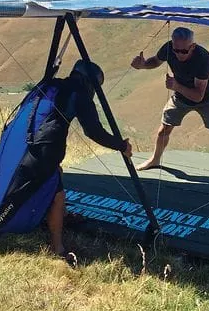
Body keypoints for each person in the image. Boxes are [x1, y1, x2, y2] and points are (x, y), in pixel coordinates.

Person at [18, 59, 131, 260]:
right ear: (90, 83)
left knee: (56, 173)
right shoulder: (80, 96)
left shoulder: (53, 84)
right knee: (57, 194)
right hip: (44, 147)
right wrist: (121, 145)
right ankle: (57, 247)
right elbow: (94, 131)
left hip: (26, 140)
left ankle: (61, 216)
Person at [130, 26, 209, 193]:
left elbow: (198, 96)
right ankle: (155, 159)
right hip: (180, 98)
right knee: (163, 131)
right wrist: (144, 65)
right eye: (176, 50)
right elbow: (156, 60)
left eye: (184, 51)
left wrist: (175, 85)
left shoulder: (203, 57)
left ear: (193, 46)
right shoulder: (169, 47)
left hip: (206, 100)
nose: (179, 54)